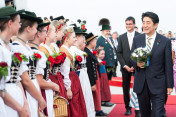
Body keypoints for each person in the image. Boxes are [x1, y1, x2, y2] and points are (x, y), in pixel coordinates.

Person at [131, 12, 174, 117]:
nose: (145, 25)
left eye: (148, 23)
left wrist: (170, 85)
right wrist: (137, 63)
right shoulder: (137, 39)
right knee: (144, 113)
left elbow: (168, 64)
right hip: (141, 83)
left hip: (159, 84)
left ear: (156, 25)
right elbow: (131, 58)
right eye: (143, 22)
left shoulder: (165, 41)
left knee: (157, 113)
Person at [0, 6, 29, 117]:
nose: (20, 25)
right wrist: (19, 108)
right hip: (6, 103)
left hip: (17, 99)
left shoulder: (10, 47)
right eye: (18, 22)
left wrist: (25, 104)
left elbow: (17, 78)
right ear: (9, 23)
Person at [59, 27, 87, 117]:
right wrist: (68, 89)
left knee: (77, 104)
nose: (75, 39)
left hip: (73, 79)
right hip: (71, 80)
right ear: (67, 39)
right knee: (74, 105)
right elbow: (65, 72)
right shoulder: (64, 51)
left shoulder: (67, 49)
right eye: (74, 37)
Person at [70, 24, 95, 117]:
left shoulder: (78, 50)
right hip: (79, 76)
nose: (84, 39)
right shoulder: (72, 50)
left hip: (84, 76)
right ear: (77, 37)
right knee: (83, 96)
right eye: (82, 37)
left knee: (87, 96)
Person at [117, 16, 140, 116]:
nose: (128, 26)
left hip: (138, 66)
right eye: (127, 24)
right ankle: (128, 107)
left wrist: (136, 64)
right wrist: (124, 65)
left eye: (130, 24)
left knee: (139, 87)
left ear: (134, 24)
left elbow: (142, 52)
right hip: (125, 67)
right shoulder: (121, 37)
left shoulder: (140, 36)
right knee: (125, 88)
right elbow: (119, 53)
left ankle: (138, 108)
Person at [84, 32, 107, 116]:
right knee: (95, 94)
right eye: (95, 41)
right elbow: (89, 69)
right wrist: (92, 82)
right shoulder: (87, 52)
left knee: (97, 93)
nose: (96, 43)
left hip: (95, 75)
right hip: (93, 76)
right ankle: (97, 110)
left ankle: (98, 109)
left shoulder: (90, 51)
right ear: (91, 42)